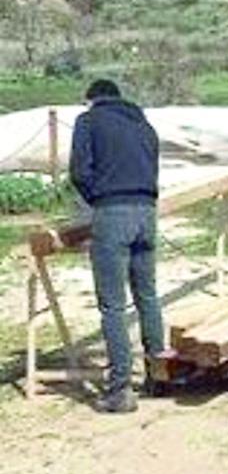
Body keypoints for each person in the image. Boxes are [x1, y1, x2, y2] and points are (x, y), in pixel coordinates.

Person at [69, 79, 165, 413]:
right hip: (148, 212)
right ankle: (159, 375)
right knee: (147, 297)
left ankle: (120, 389)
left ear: (91, 100)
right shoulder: (144, 125)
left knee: (112, 306)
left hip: (113, 212)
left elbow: (79, 171)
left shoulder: (88, 121)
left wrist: (98, 198)